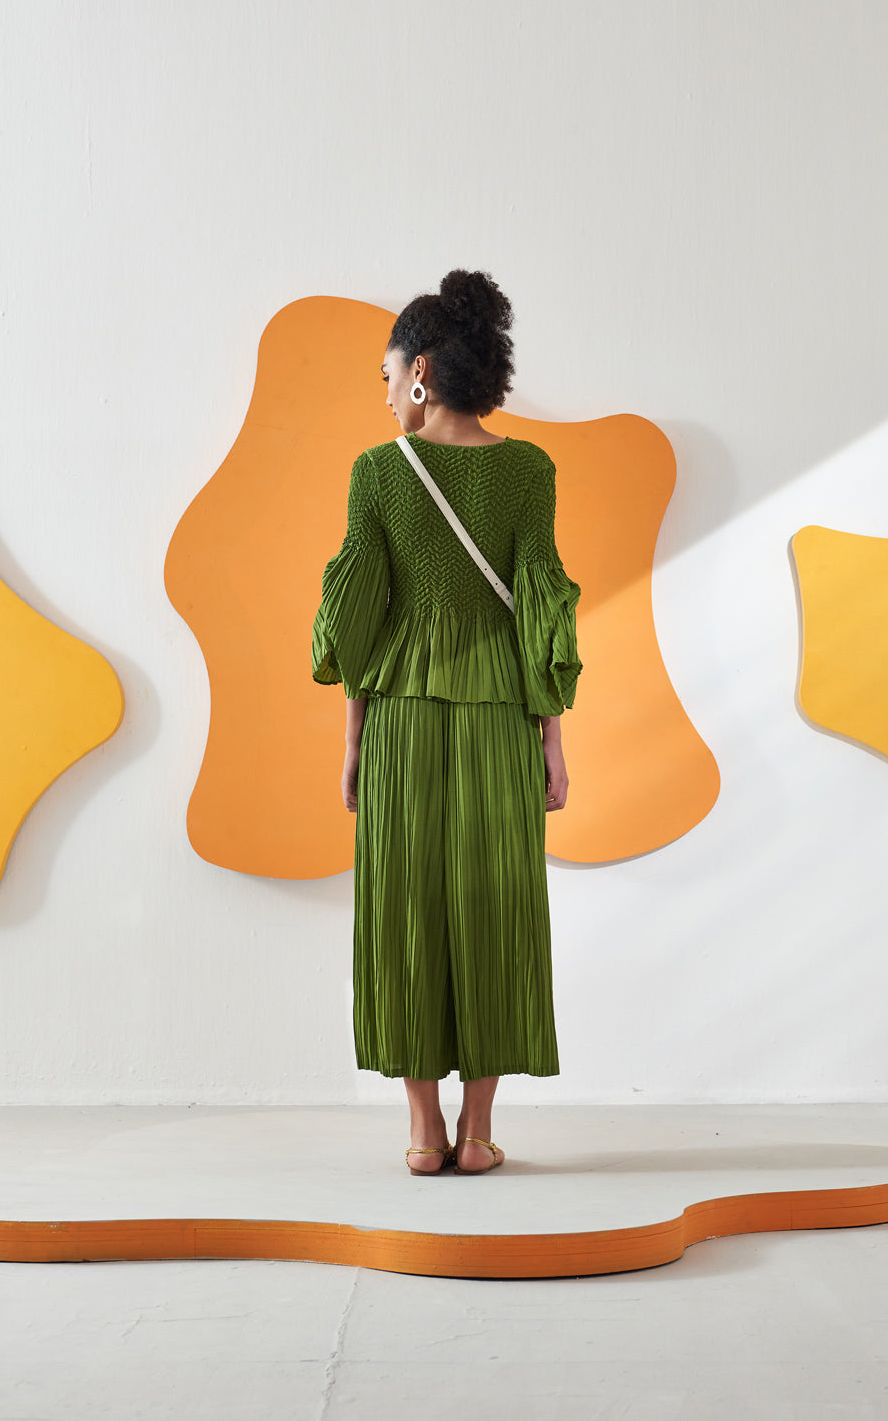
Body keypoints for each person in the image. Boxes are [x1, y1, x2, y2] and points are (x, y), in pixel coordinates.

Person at [311, 269, 582, 1176]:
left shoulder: (378, 473)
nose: (387, 393)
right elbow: (542, 608)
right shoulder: (529, 471)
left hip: (400, 717)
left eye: (389, 374)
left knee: (406, 908)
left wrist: (352, 742)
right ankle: (478, 1132)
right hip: (501, 714)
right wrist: (552, 740)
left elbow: (359, 618)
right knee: (494, 903)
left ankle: (423, 1132)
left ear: (421, 370)